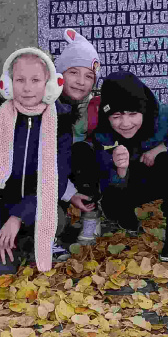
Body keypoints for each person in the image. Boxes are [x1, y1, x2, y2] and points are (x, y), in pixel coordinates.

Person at [0, 48, 72, 275]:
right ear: (8, 84)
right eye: (20, 80)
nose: (27, 88)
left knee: (56, 217)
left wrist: (18, 216)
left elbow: (56, 183)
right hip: (1, 213)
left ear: (49, 84)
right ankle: (18, 246)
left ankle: (35, 241)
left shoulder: (60, 126)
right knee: (0, 268)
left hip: (37, 209)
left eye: (35, 80)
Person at [90, 72, 168, 263]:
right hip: (128, 181)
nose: (125, 123)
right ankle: (125, 213)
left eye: (132, 114)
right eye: (117, 116)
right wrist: (120, 169)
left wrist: (164, 146)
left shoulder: (162, 115)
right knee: (112, 206)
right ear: (108, 115)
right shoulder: (103, 133)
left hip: (157, 173)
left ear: (143, 110)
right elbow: (105, 182)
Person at [54, 28, 103, 245]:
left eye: (89, 76)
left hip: (79, 169)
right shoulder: (46, 103)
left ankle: (91, 213)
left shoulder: (95, 107)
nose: (81, 81)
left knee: (83, 151)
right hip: (50, 172)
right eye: (73, 72)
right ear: (60, 74)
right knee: (56, 222)